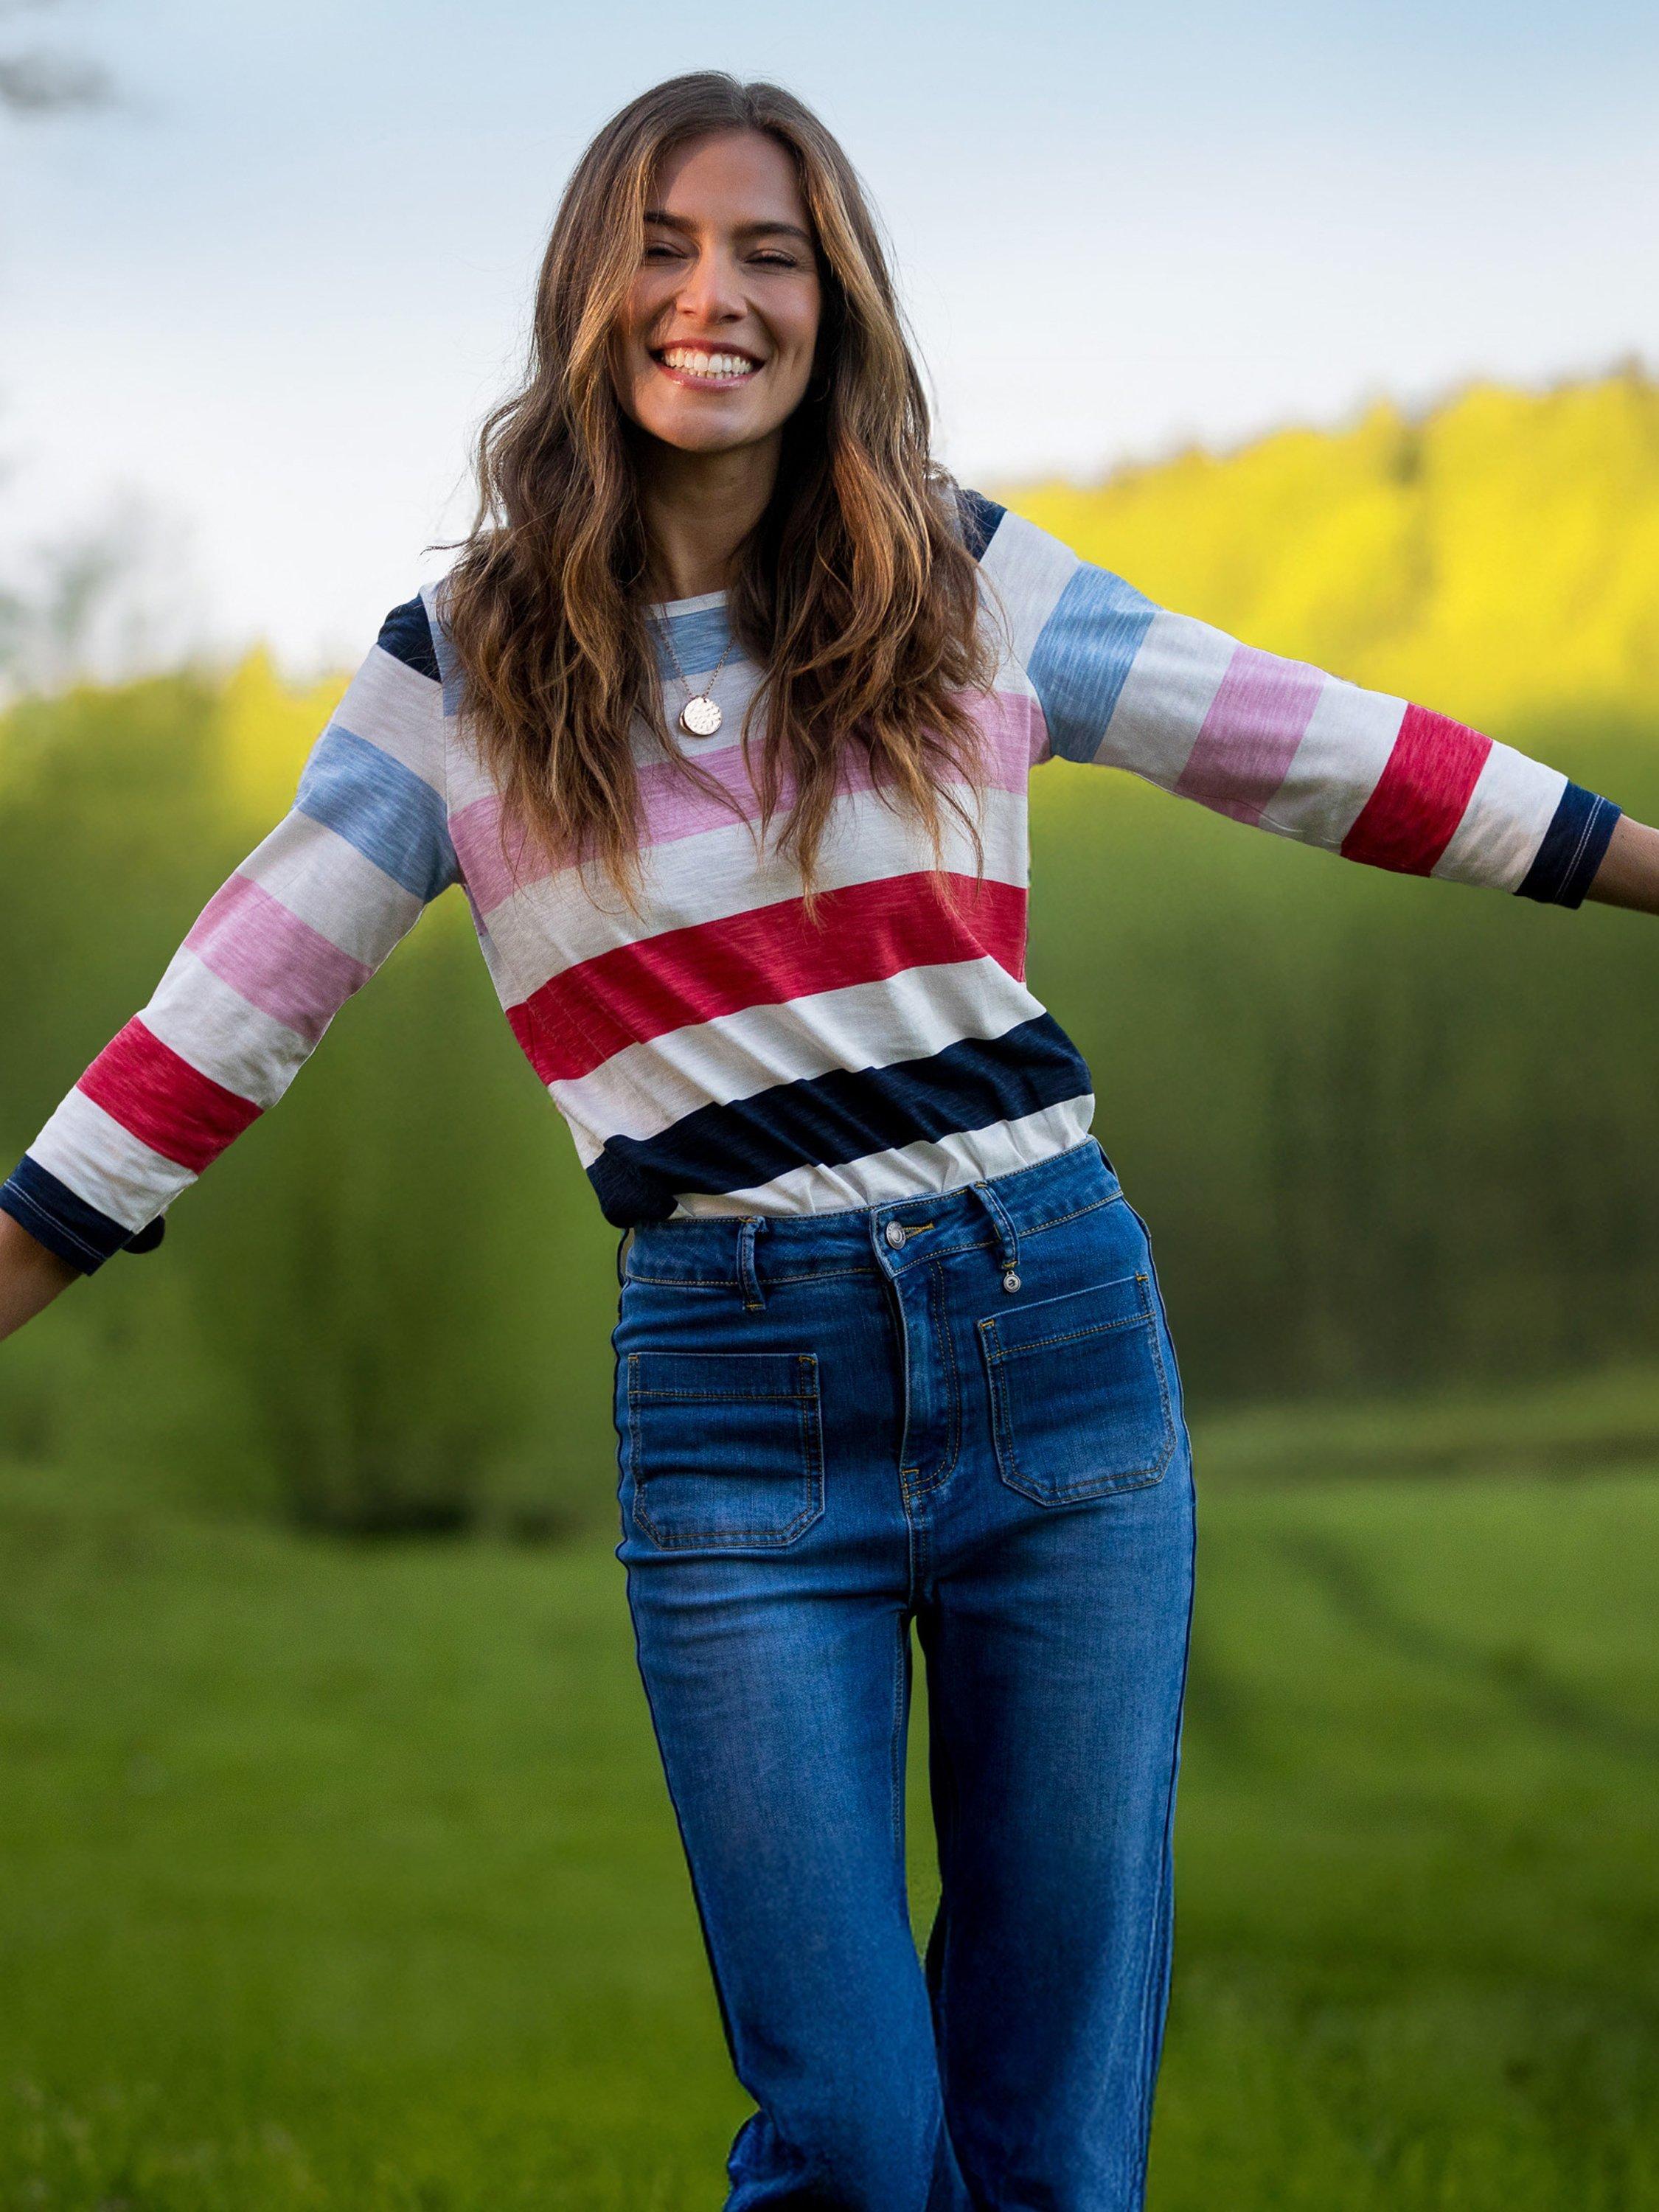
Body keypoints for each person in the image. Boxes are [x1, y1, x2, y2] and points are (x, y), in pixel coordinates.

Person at [2, 69, 1656, 2212]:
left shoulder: (962, 582)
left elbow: (1306, 744)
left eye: (768, 254)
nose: (715, 295)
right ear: (585, 296)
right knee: (857, 2146)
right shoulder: (460, 678)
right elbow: (234, 1004)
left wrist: (1639, 865)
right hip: (736, 1395)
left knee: (1054, 2149)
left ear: (834, 302)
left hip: (1053, 1334)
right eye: (663, 247)